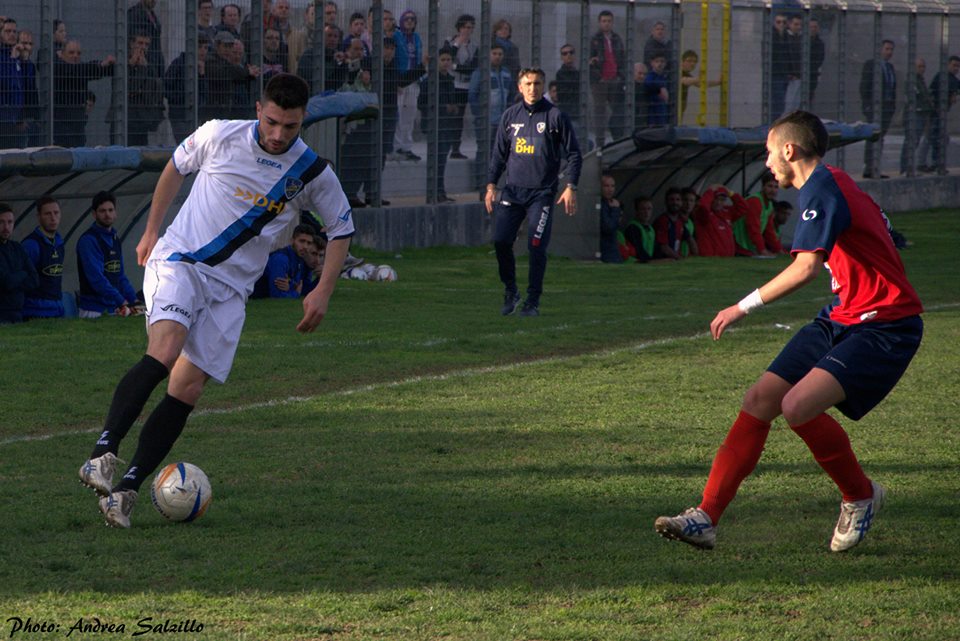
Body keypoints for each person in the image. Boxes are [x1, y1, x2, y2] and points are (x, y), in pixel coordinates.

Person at [77, 73, 355, 529]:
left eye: (290, 126)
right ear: (258, 109)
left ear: (303, 119)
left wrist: (322, 290)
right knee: (166, 350)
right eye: (271, 122)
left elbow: (342, 228)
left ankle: (125, 491)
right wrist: (151, 230)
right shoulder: (219, 135)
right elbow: (174, 167)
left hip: (231, 292)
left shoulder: (312, 172)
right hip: (182, 261)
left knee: (187, 389)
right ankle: (102, 454)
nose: (278, 134)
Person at [654, 109, 924, 553]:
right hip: (842, 315)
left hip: (885, 325)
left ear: (789, 149)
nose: (766, 163)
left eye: (768, 153)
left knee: (797, 406)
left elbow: (805, 268)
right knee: (760, 399)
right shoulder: (834, 183)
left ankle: (860, 495)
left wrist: (741, 307)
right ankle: (705, 518)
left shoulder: (822, 187)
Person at [485, 67, 582, 317]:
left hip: (542, 194)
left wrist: (570, 186)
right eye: (528, 84)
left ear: (543, 86)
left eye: (537, 83)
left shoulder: (555, 116)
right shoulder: (510, 116)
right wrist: (491, 185)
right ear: (520, 87)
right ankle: (511, 291)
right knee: (501, 241)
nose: (532, 88)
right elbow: (498, 155)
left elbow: (574, 154)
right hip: (513, 192)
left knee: (536, 245)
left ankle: (533, 301)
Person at [76, 191, 141, 318]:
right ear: (94, 214)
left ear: (115, 213)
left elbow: (120, 276)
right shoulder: (88, 240)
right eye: (102, 211)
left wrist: (134, 300)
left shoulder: (115, 239)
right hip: (93, 309)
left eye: (110, 210)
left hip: (113, 308)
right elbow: (96, 278)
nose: (107, 214)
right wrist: (122, 301)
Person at [54, 40, 116, 147]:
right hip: (61, 124)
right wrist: (101, 64)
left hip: (78, 124)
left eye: (78, 53)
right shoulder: (58, 68)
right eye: (71, 52)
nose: (75, 56)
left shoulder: (81, 70)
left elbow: (95, 70)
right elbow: (80, 70)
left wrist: (112, 65)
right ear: (62, 54)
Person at [418, 46, 459, 204]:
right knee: (436, 160)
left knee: (442, 160)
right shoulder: (429, 81)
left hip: (447, 125)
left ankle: (440, 192)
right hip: (434, 125)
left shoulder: (449, 79)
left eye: (448, 60)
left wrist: (453, 107)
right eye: (443, 60)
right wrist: (442, 108)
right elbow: (422, 103)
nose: (446, 62)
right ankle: (435, 192)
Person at [468, 44, 516, 161]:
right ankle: (480, 173)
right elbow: (472, 95)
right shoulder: (480, 73)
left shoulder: (506, 72)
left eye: (500, 54)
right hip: (485, 120)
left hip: (502, 120)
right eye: (494, 54)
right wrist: (479, 114)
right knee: (484, 150)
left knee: (499, 150)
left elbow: (511, 94)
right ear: (488, 55)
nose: (497, 57)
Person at [21, 195, 66, 319]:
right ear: (39, 216)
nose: (53, 218)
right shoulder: (31, 245)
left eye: (56, 213)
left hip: (57, 309)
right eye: (47, 214)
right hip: (36, 311)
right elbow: (23, 280)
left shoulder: (59, 243)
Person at [860, 40, 897, 179]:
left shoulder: (890, 67)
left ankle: (875, 167)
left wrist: (892, 107)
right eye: (887, 49)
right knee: (873, 137)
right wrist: (867, 106)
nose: (889, 52)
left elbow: (892, 88)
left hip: (887, 108)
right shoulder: (871, 65)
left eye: (891, 49)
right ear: (880, 49)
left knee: (880, 138)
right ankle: (869, 167)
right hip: (875, 107)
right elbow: (864, 86)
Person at [588, 11, 626, 146]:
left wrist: (620, 77)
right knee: (600, 112)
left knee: (617, 110)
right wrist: (598, 78)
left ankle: (618, 140)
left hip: (615, 80)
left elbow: (622, 58)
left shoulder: (617, 39)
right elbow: (589, 61)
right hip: (600, 82)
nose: (607, 24)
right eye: (604, 21)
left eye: (609, 21)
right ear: (599, 22)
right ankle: (600, 143)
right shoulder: (594, 39)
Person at [445, 14, 478, 160]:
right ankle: (445, 146)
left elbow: (472, 68)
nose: (468, 30)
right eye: (465, 27)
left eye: (470, 28)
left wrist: (455, 66)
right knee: (449, 116)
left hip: (465, 85)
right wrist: (457, 45)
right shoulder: (450, 41)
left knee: (459, 117)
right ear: (459, 28)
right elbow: (446, 58)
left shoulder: (474, 46)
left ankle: (455, 149)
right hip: (452, 84)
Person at [165, 34, 210, 143]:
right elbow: (166, 86)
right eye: (199, 47)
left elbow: (204, 93)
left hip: (196, 115)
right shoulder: (178, 64)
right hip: (179, 114)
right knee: (186, 145)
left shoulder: (204, 66)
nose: (203, 51)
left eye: (205, 48)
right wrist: (180, 99)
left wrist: (202, 75)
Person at [251, 223, 315, 298]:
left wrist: (320, 278)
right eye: (302, 241)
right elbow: (276, 295)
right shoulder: (280, 259)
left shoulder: (302, 259)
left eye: (309, 243)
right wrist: (296, 293)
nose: (305, 246)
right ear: (292, 241)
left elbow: (305, 290)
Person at [125, 31, 165, 146]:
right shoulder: (123, 63)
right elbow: (131, 88)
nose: (143, 47)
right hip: (124, 119)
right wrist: (139, 68)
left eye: (146, 44)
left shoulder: (150, 65)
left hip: (141, 121)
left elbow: (153, 91)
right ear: (132, 44)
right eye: (140, 43)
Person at [0, 203, 38, 324]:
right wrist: (23, 273)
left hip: (17, 314)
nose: (6, 227)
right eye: (1, 222)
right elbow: (7, 282)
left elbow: (34, 280)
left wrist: (14, 279)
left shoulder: (17, 248)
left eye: (10, 222)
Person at [393, 10, 423, 161]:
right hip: (400, 80)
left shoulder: (416, 38)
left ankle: (407, 146)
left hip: (413, 80)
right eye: (407, 19)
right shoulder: (397, 36)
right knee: (399, 114)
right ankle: (397, 146)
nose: (410, 21)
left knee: (410, 115)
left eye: (412, 19)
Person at [735, 171, 783, 256]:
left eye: (776, 187)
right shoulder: (755, 201)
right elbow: (753, 227)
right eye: (770, 186)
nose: (773, 190)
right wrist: (762, 250)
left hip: (747, 245)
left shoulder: (769, 204)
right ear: (763, 187)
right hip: (738, 243)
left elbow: (769, 231)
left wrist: (778, 249)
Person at [691, 185, 748, 257]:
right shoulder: (703, 214)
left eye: (722, 200)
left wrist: (730, 193)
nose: (718, 202)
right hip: (710, 259)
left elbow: (744, 207)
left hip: (726, 259)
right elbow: (703, 207)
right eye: (715, 199)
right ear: (711, 198)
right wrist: (710, 191)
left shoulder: (726, 212)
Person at [926, 56, 960, 176]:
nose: (956, 68)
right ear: (948, 65)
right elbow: (932, 92)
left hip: (943, 113)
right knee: (935, 138)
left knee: (941, 138)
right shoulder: (941, 76)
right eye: (954, 65)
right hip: (936, 112)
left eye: (958, 66)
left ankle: (937, 163)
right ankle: (934, 163)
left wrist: (954, 94)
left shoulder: (954, 80)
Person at [0, 17, 25, 148]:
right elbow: (5, 82)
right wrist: (12, 59)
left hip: (15, 118)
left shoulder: (16, 56)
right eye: (7, 31)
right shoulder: (5, 57)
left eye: (14, 31)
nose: (12, 34)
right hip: (3, 117)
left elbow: (23, 85)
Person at [679, 50, 721, 121]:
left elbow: (701, 84)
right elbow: (685, 81)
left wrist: (718, 82)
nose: (692, 64)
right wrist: (700, 76)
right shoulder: (677, 73)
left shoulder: (687, 74)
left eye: (695, 61)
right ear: (682, 61)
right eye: (689, 61)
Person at [653, 187, 693, 260]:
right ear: (666, 202)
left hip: (674, 261)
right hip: (662, 262)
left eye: (678, 200)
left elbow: (690, 239)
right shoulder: (663, 220)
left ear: (681, 202)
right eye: (672, 200)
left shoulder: (680, 221)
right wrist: (680, 259)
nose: (675, 203)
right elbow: (664, 247)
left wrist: (696, 256)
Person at [622, 196, 657, 263]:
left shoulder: (651, 228)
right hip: (637, 263)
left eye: (649, 209)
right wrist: (653, 261)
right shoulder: (632, 228)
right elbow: (638, 251)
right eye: (643, 209)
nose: (646, 212)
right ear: (637, 211)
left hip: (648, 262)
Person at [598, 173, 622, 263]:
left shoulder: (610, 203)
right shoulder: (601, 205)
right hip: (606, 252)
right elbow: (608, 227)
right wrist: (615, 210)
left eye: (612, 186)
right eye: (606, 186)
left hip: (611, 250)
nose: (610, 189)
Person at [554, 45, 580, 127]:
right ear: (561, 57)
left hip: (578, 111)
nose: (568, 55)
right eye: (565, 53)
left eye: (571, 52)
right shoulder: (560, 74)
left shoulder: (578, 73)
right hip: (567, 111)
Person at [644, 54, 669, 126]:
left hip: (662, 111)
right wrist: (661, 87)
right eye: (657, 61)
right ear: (651, 63)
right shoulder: (650, 76)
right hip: (653, 111)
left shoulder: (664, 76)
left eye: (662, 61)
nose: (660, 64)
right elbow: (648, 83)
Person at [807, 19, 825, 104]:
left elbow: (820, 59)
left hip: (812, 75)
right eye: (811, 27)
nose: (813, 29)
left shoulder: (820, 43)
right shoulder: (800, 40)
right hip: (799, 75)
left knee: (809, 98)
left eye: (815, 27)